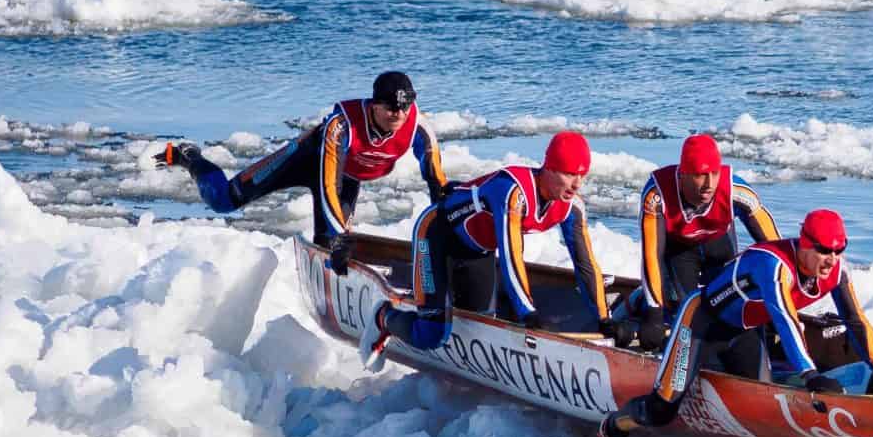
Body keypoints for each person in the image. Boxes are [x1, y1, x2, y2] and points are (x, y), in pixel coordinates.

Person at [597, 209, 873, 437]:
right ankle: (612, 430)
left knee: (758, 408)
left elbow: (856, 320)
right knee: (661, 410)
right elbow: (785, 319)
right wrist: (811, 375)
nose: (831, 259)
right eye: (823, 250)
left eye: (839, 250)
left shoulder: (837, 271)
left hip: (743, 331)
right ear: (804, 243)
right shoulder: (774, 266)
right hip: (702, 323)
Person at [358, 130, 623, 371]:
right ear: (549, 168)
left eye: (581, 175)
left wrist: (604, 318)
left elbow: (585, 263)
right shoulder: (514, 192)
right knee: (432, 334)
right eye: (568, 174)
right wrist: (528, 314)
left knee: (480, 329)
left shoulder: (572, 206)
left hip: (477, 251)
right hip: (436, 236)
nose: (576, 184)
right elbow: (510, 256)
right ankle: (385, 316)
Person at [154, 71, 446, 262]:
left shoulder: (417, 126)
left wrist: (445, 232)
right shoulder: (341, 126)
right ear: (374, 106)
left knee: (328, 244)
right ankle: (188, 156)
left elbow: (436, 182)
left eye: (405, 107)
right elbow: (328, 182)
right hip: (303, 160)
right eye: (392, 108)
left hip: (346, 173)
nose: (399, 114)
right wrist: (341, 237)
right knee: (223, 200)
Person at [626, 133, 779, 350]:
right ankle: (640, 300)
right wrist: (654, 313)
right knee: (687, 312)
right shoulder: (656, 194)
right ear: (683, 174)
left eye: (714, 173)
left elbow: (776, 250)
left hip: (718, 245)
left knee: (727, 307)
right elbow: (652, 255)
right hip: (680, 250)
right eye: (700, 175)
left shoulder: (739, 191)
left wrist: (780, 305)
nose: (709, 184)